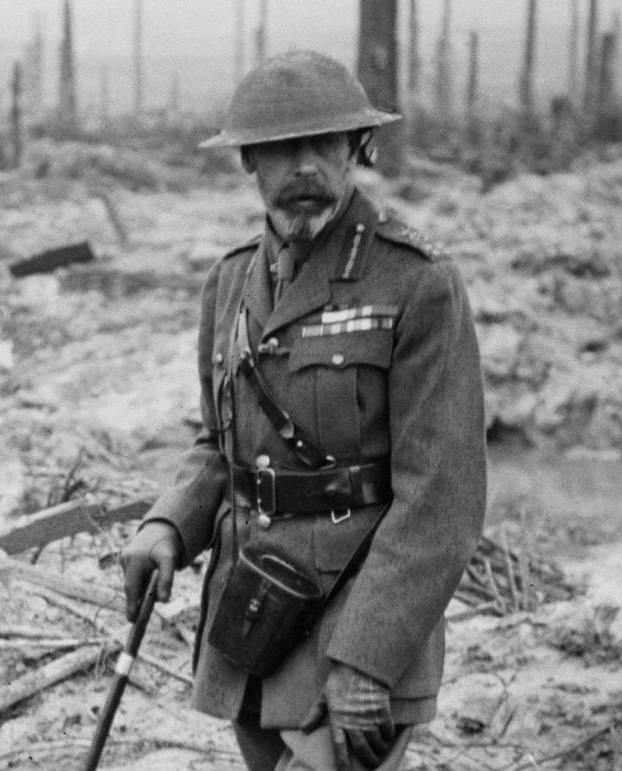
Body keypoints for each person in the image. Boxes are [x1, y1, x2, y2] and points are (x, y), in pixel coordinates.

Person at [119, 49, 487, 771]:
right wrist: (169, 524)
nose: (305, 168)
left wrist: (367, 658)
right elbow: (218, 445)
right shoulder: (230, 282)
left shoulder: (417, 283)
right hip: (255, 626)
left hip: (354, 637)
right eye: (281, 151)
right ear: (248, 163)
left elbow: (441, 498)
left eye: (324, 145)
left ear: (358, 149)